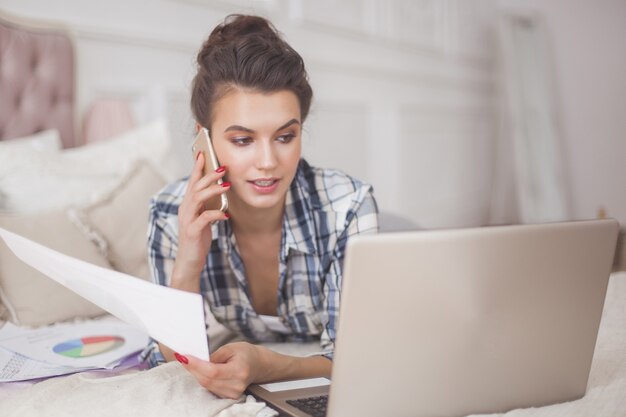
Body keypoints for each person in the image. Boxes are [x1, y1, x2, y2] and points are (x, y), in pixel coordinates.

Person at [141, 14, 378, 399]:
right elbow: (171, 356)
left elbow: (359, 356)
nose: (268, 161)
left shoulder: (348, 207)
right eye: (242, 140)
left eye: (285, 136)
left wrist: (269, 365)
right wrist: (188, 260)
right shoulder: (170, 212)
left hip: (378, 240)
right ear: (205, 140)